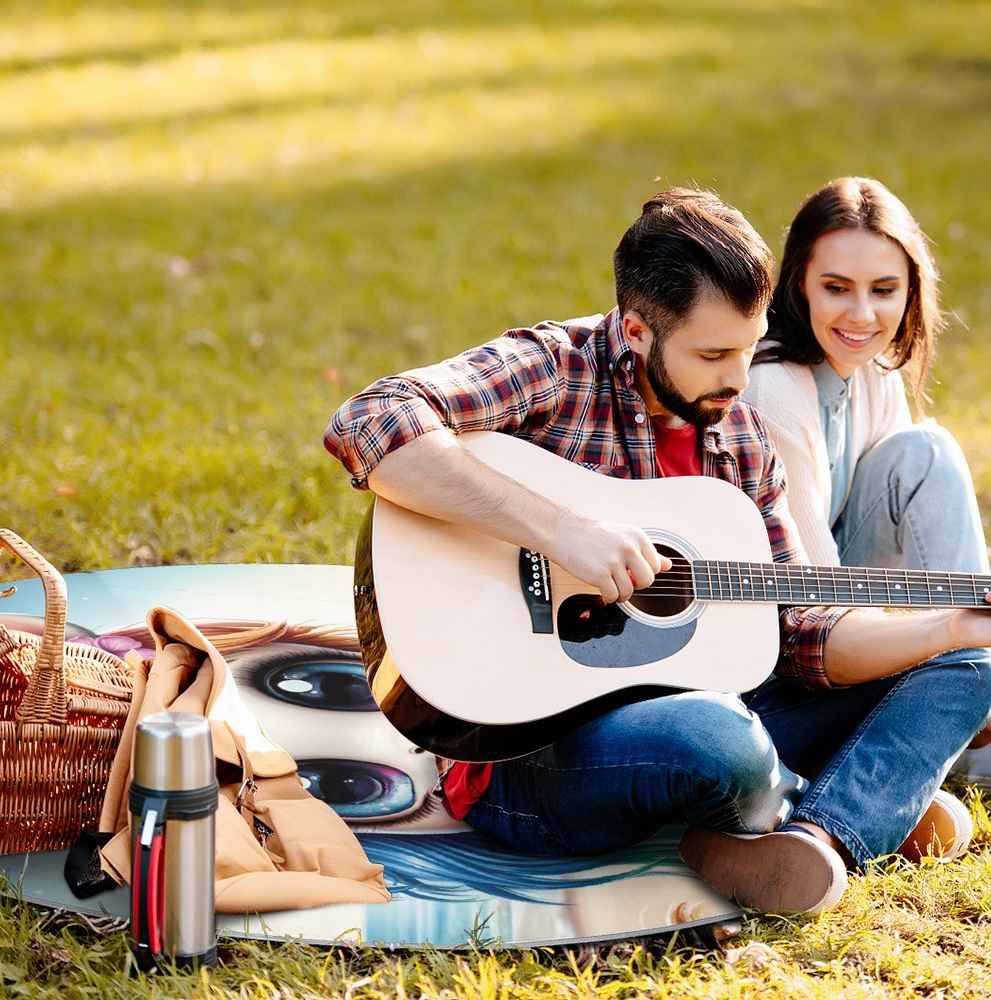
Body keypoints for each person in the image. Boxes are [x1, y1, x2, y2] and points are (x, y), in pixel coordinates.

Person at [324, 187, 991, 916]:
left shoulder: (739, 436)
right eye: (713, 354)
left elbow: (800, 629)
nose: (739, 380)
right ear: (637, 330)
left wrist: (947, 628)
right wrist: (560, 531)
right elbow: (371, 419)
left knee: (971, 665)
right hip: (529, 756)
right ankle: (852, 795)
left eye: (748, 346)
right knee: (720, 741)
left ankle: (821, 837)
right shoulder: (555, 367)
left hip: (718, 709)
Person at [744, 176, 991, 797]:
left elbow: (914, 523)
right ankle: (966, 706)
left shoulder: (872, 370)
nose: (863, 315)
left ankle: (971, 692)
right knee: (927, 450)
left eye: (884, 290)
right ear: (798, 281)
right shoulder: (774, 387)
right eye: (836, 288)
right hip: (789, 640)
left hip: (854, 604)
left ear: (911, 291)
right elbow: (814, 601)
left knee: (923, 451)